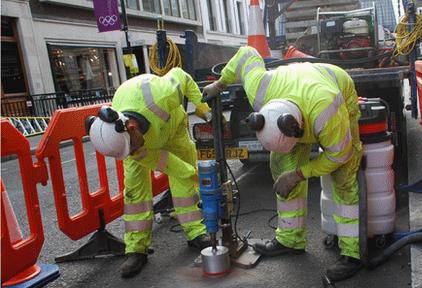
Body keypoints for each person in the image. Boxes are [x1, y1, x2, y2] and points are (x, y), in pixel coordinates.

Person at [203, 46, 363, 281]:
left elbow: (339, 154)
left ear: (297, 130)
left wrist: (299, 174)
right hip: (294, 97)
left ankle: (352, 253)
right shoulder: (259, 91)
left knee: (343, 178)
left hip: (335, 88)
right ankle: (290, 240)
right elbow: (247, 54)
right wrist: (220, 85)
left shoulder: (326, 111)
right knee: (281, 166)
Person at [85, 68, 211, 278]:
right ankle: (136, 249)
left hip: (173, 130)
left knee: (184, 184)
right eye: (128, 152)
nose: (132, 154)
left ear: (132, 128)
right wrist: (198, 176)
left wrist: (203, 108)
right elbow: (169, 164)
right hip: (149, 139)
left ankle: (196, 232)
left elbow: (183, 76)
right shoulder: (128, 145)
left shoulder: (162, 94)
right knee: (135, 193)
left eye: (131, 149)